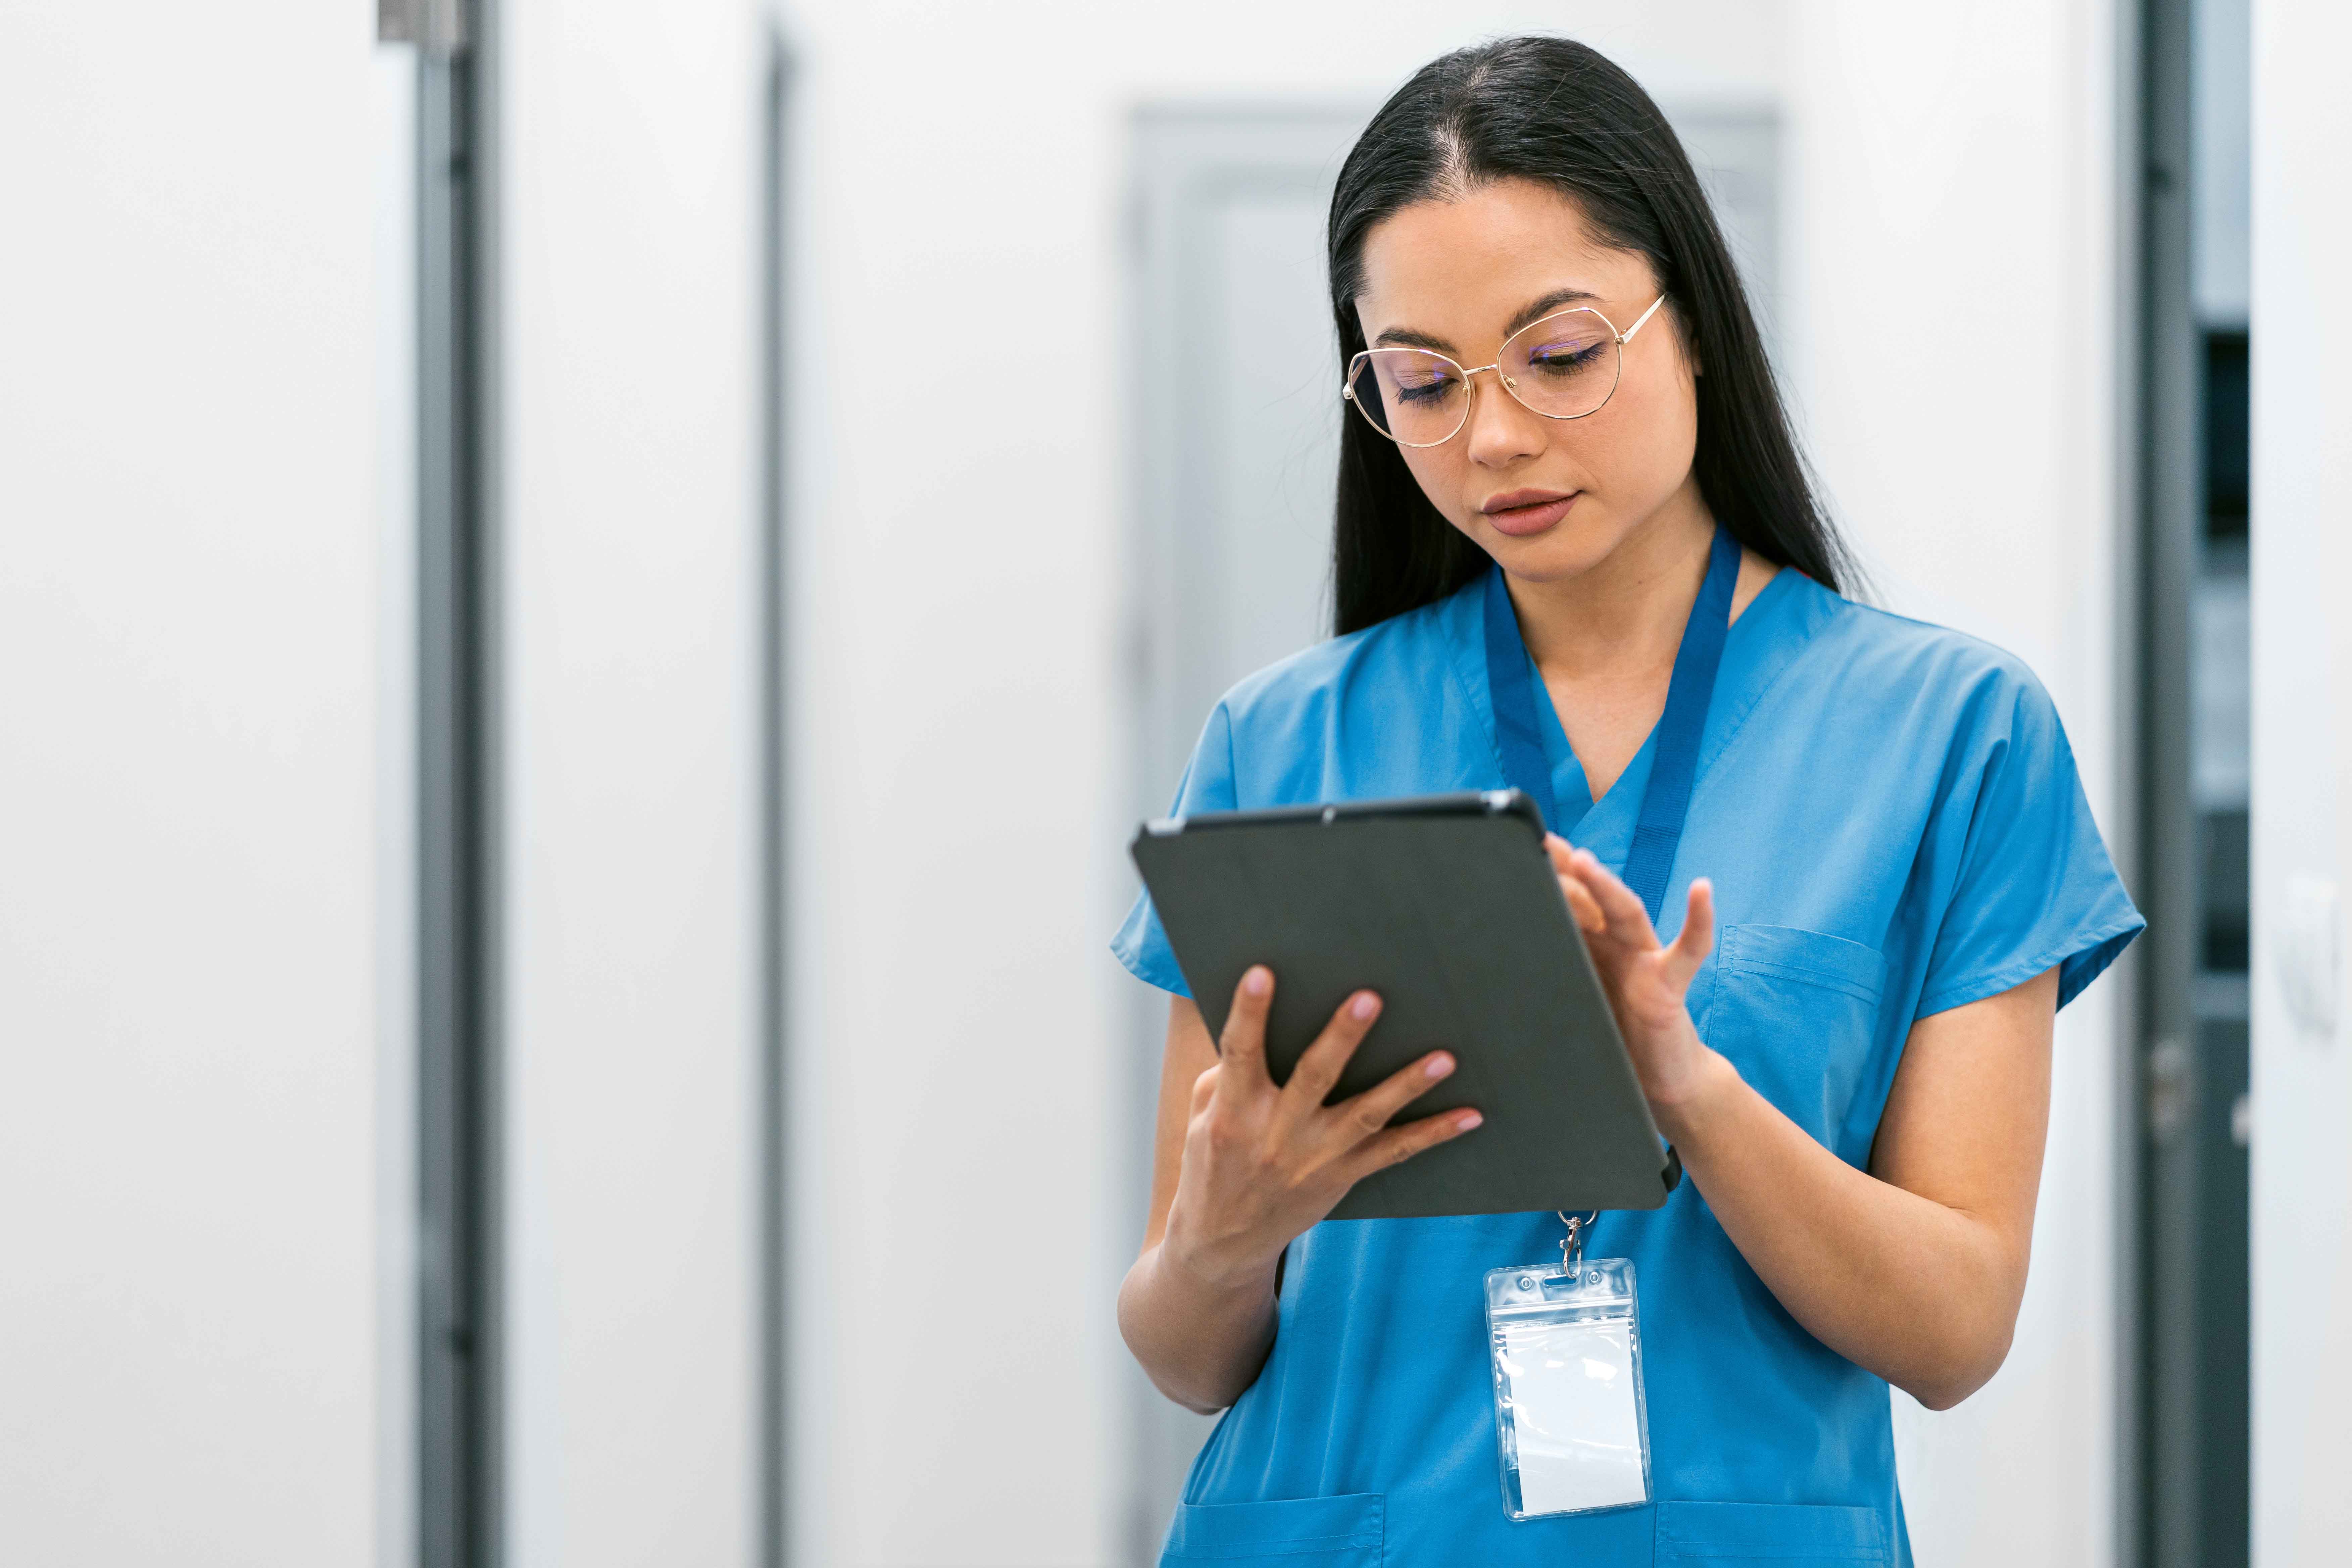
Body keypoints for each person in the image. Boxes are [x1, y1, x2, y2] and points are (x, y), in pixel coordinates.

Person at [1109, 34, 2142, 1568]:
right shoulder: (1280, 744)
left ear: (1695, 326)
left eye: (1562, 352)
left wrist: (1688, 1090)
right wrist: (1223, 1229)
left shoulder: (1954, 738)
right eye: (1421, 382)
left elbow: (1954, 1327)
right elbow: (1186, 1350)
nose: (1495, 437)